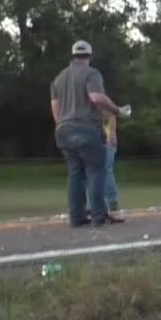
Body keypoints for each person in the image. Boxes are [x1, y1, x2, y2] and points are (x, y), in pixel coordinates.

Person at [50, 40, 126, 227]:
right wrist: (117, 110)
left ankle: (76, 218)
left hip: (63, 130)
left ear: (73, 55)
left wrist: (62, 125)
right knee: (96, 172)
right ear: (90, 56)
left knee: (75, 174)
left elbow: (55, 107)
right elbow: (96, 98)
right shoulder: (92, 74)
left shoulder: (59, 78)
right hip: (86, 129)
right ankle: (99, 216)